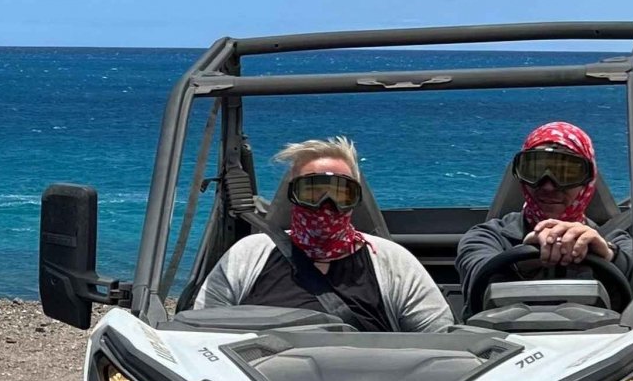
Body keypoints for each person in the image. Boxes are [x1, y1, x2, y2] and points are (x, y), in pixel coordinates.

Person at [194, 136, 452, 332]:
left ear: (355, 200)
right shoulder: (250, 255)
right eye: (313, 193)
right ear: (292, 196)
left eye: (340, 194)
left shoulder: (391, 261)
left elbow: (441, 339)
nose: (326, 205)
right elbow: (201, 331)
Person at [456, 121, 632, 310]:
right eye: (535, 171)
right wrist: (523, 259)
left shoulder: (615, 240)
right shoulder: (485, 237)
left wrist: (609, 256)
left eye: (567, 174)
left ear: (587, 182)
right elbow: (476, 274)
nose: (548, 186)